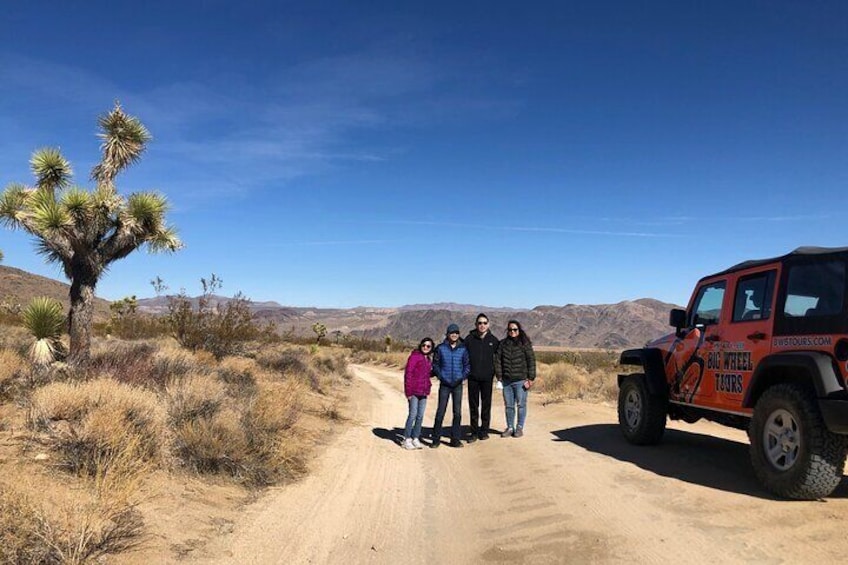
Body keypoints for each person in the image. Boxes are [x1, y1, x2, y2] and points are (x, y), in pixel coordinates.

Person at [430, 323, 470, 448]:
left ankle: (455, 439)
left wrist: (462, 377)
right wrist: (441, 376)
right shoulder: (441, 348)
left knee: (457, 413)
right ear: (447, 334)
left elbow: (467, 365)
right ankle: (435, 439)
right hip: (445, 384)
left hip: (457, 384)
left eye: (456, 333)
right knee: (441, 411)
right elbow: (435, 365)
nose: (454, 335)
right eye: (452, 333)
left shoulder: (463, 348)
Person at [495, 320, 536, 438]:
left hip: (521, 380)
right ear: (507, 331)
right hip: (507, 381)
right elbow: (498, 360)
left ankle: (519, 427)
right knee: (509, 405)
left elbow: (531, 361)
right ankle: (509, 427)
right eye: (510, 330)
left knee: (521, 405)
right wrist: (499, 376)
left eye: (515, 329)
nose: (512, 332)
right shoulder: (503, 344)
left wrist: (530, 378)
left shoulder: (525, 344)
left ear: (519, 330)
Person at [464, 313, 499, 442]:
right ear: (476, 325)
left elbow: (499, 359)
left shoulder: (493, 340)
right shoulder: (469, 339)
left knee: (486, 405)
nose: (482, 325)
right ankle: (474, 432)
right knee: (473, 405)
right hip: (472, 378)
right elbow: (463, 356)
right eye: (480, 323)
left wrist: (496, 374)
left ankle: (484, 430)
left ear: (488, 325)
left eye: (484, 323)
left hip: (487, 378)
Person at [401, 337, 434, 450]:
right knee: (412, 415)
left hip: (423, 391)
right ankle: (406, 438)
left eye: (428, 346)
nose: (425, 347)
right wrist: (408, 392)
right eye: (424, 345)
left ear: (431, 348)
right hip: (414, 391)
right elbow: (408, 374)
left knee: (420, 416)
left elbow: (427, 374)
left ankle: (415, 437)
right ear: (420, 345)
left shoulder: (428, 359)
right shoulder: (414, 357)